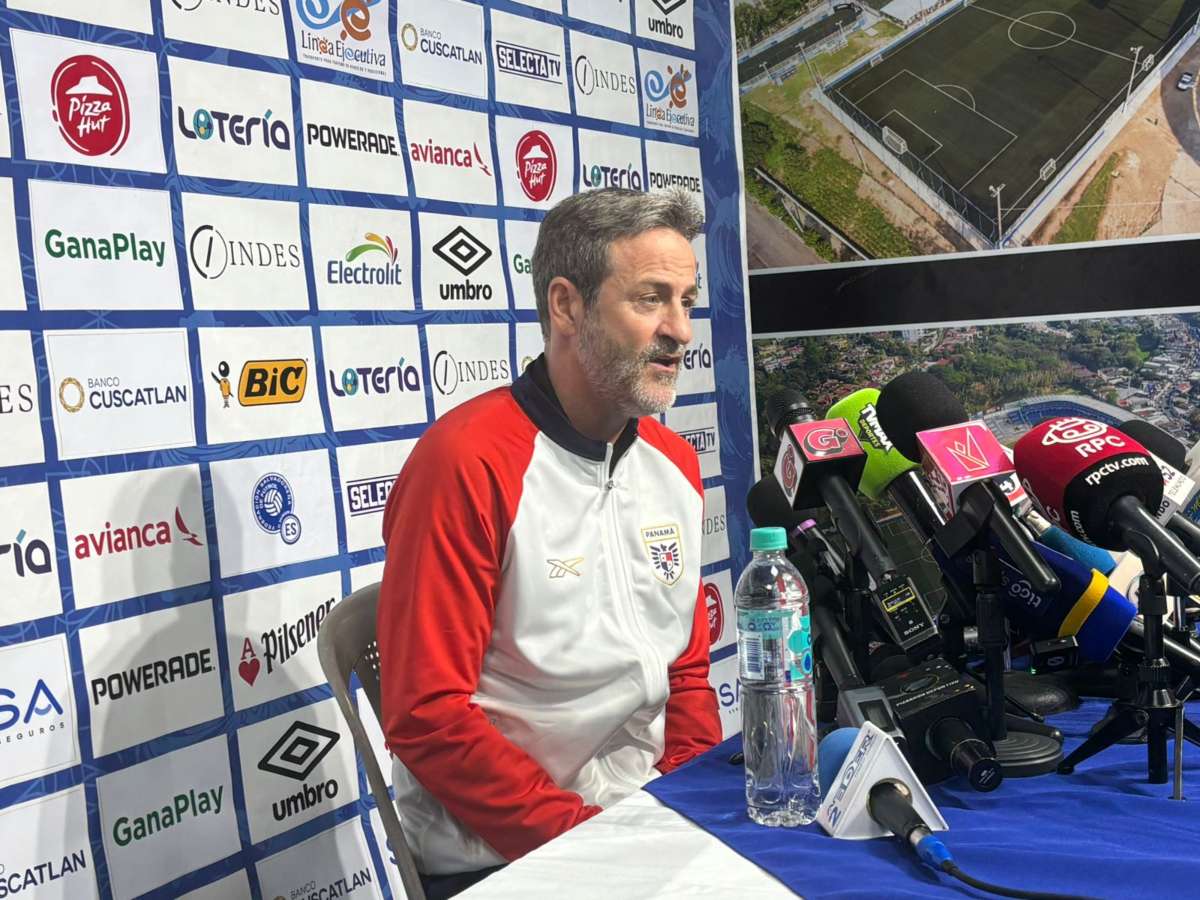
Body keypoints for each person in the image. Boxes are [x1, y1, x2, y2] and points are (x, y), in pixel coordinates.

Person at [376, 187, 722, 893]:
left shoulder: (675, 465)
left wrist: (688, 804)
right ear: (566, 306)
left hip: (649, 826)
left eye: (686, 301)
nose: (681, 330)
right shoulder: (465, 462)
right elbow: (428, 717)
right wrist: (589, 847)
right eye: (651, 299)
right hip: (507, 857)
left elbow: (684, 673)